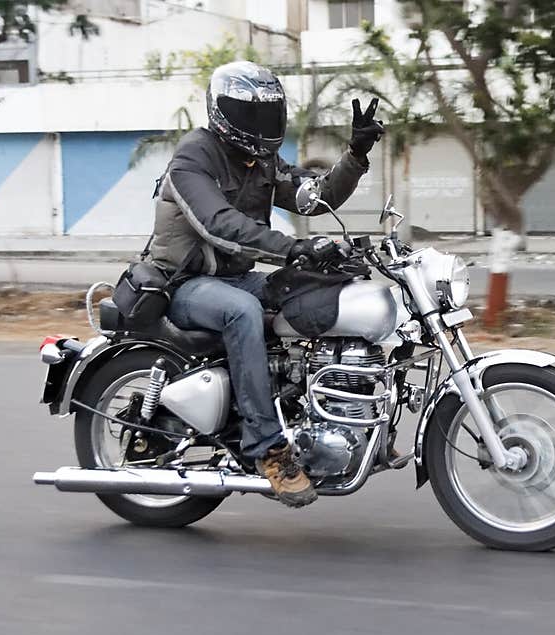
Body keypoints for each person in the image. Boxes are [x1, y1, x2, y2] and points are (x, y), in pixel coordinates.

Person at [148, 61, 384, 508]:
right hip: (184, 284)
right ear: (223, 112)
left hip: (236, 278)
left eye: (269, 112)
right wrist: (293, 247)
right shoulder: (193, 157)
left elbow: (313, 196)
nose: (262, 123)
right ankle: (268, 451)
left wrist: (355, 157)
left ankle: (320, 406)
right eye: (250, 113)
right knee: (243, 311)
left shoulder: (262, 161)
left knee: (319, 284)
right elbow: (219, 224)